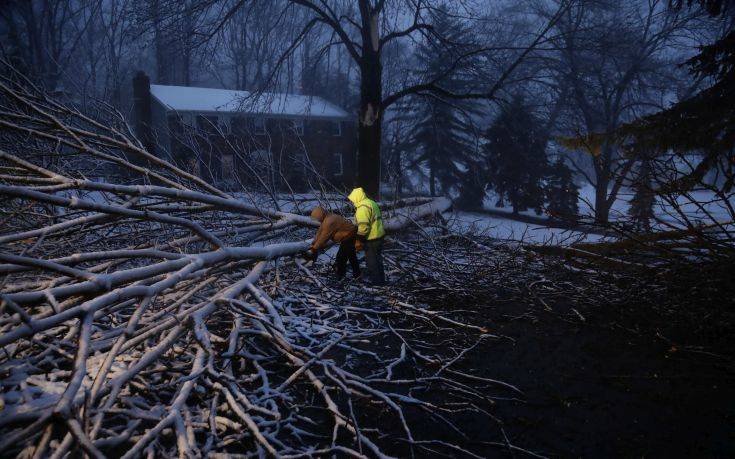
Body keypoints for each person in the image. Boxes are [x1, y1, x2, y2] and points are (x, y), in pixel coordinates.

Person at [306, 206, 361, 280]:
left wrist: (314, 248)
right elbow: (320, 232)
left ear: (320, 215)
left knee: (341, 257)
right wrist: (313, 243)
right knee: (351, 256)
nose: (318, 220)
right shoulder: (327, 218)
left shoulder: (330, 221)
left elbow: (324, 237)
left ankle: (341, 276)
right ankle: (357, 275)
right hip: (349, 236)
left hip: (349, 236)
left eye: (317, 218)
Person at [347, 187, 386, 285]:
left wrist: (359, 239)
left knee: (372, 262)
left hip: (372, 238)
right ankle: (381, 281)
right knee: (378, 260)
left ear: (357, 198)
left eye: (352, 199)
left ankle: (376, 284)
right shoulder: (370, 202)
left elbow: (364, 226)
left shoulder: (362, 208)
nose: (352, 202)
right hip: (379, 236)